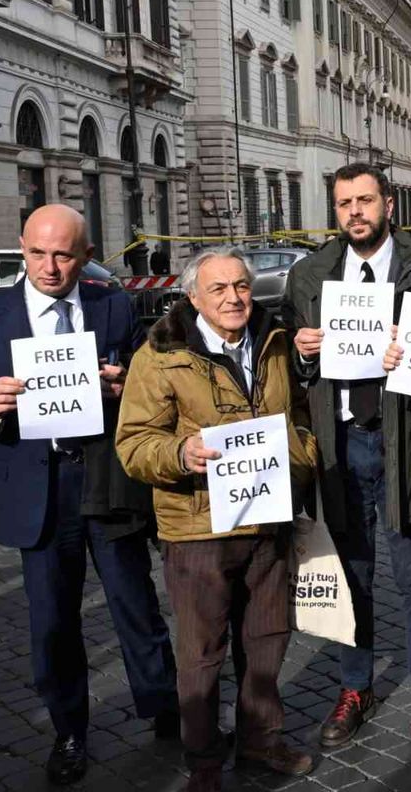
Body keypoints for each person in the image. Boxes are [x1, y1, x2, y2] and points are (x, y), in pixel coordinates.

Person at [0, 204, 178, 786]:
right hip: (37, 488)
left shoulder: (112, 305)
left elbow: (147, 377)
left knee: (135, 603)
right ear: (22, 249)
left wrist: (125, 384)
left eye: (64, 255)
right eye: (37, 253)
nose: (49, 267)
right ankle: (69, 730)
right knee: (52, 620)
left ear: (87, 256)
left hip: (106, 478)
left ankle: (166, 709)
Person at [115, 248, 318, 792]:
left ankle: (261, 739)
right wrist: (181, 454)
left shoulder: (274, 340)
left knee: (267, 638)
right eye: (219, 289)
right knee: (201, 653)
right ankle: (204, 759)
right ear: (193, 297)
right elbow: (134, 443)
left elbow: (299, 415)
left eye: (241, 286)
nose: (233, 298)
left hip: (268, 517)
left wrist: (299, 454)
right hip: (197, 527)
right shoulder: (159, 355)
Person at [279, 163, 411, 748]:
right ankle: (355, 688)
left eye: (365, 200)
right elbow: (289, 372)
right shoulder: (308, 277)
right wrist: (303, 353)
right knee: (351, 577)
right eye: (344, 203)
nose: (355, 212)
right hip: (340, 448)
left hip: (409, 444)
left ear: (387, 203)